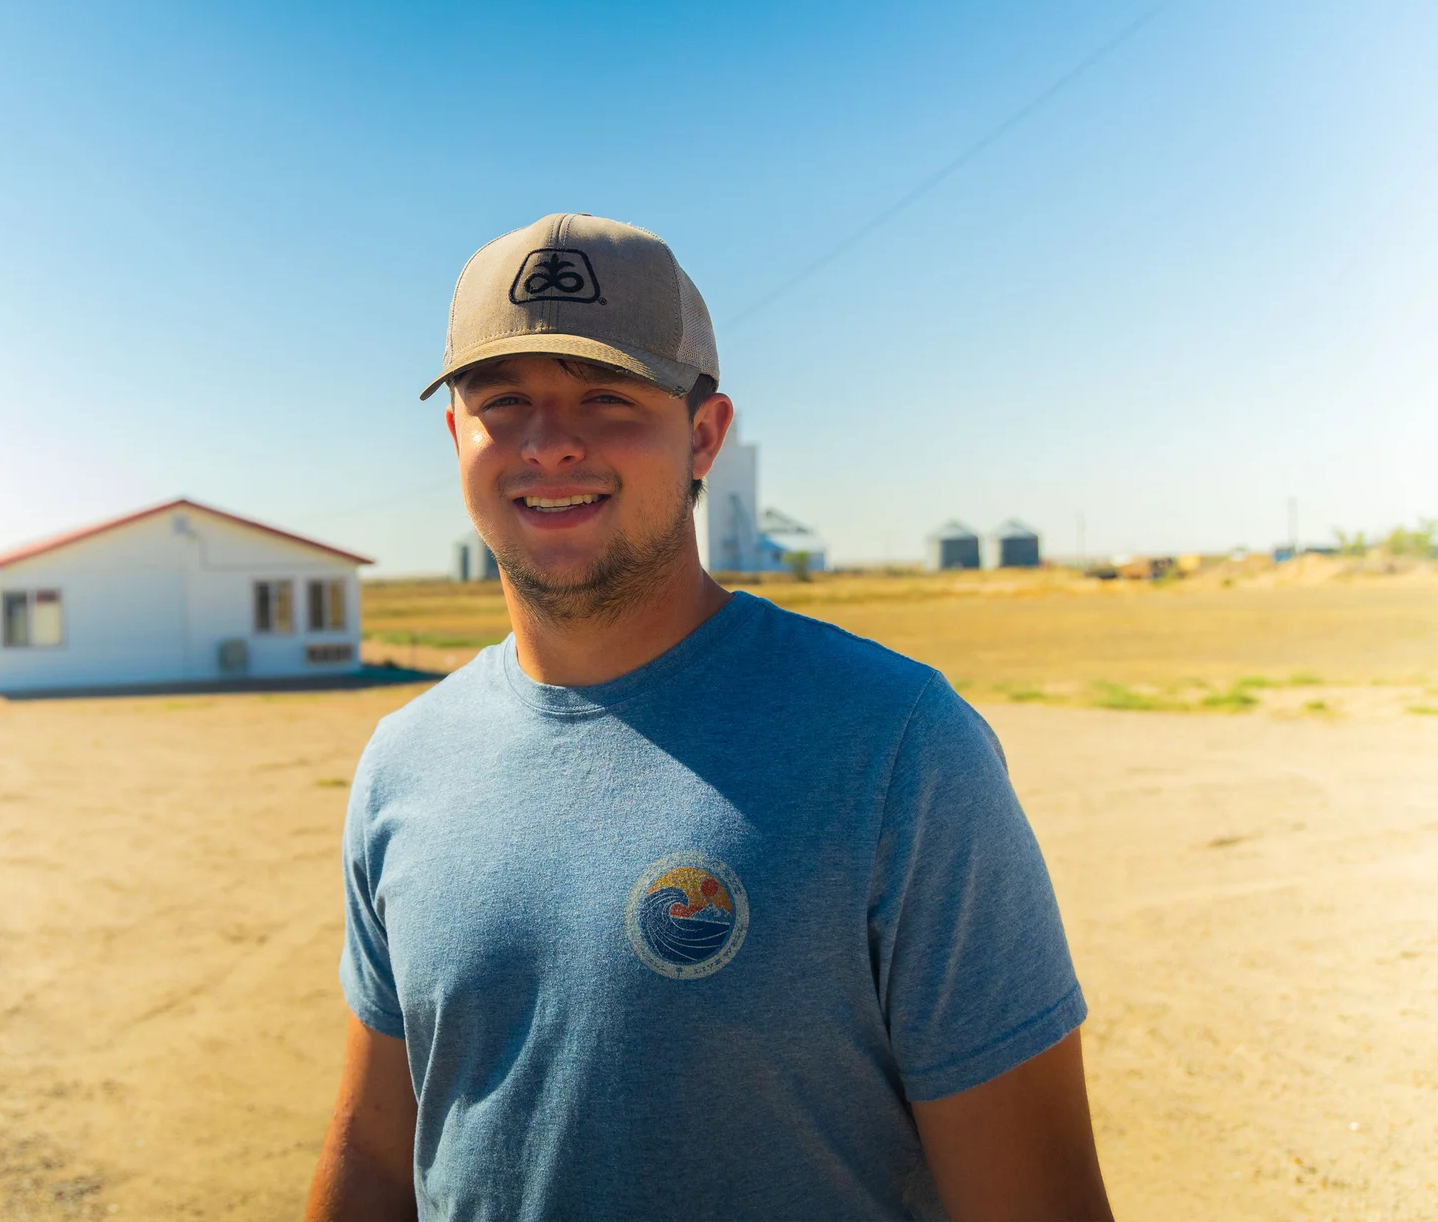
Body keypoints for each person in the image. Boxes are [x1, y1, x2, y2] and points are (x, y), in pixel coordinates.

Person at [306, 213, 1112, 1221]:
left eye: (607, 398)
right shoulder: (404, 763)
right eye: (503, 401)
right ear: (454, 434)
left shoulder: (898, 749)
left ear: (704, 434)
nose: (551, 443)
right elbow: (378, 1153)